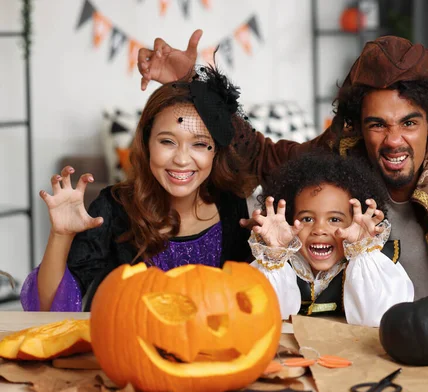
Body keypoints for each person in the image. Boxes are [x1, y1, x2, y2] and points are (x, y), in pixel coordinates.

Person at [138, 33, 428, 313]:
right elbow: (261, 156)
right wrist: (193, 87)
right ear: (359, 127)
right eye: (379, 124)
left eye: (409, 123)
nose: (393, 140)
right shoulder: (340, 157)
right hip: (352, 353)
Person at [21, 64, 259, 312]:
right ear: (146, 143)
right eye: (167, 141)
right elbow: (48, 310)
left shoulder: (236, 208)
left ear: (216, 152)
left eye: (199, 144)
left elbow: (254, 303)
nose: (181, 159)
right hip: (129, 345)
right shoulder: (112, 209)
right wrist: (60, 235)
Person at [247, 152, 413, 327]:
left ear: (355, 222)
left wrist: (362, 252)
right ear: (289, 220)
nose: (319, 230)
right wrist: (274, 254)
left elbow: (379, 318)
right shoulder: (275, 264)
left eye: (334, 220)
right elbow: (262, 317)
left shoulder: (372, 266)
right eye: (307, 219)